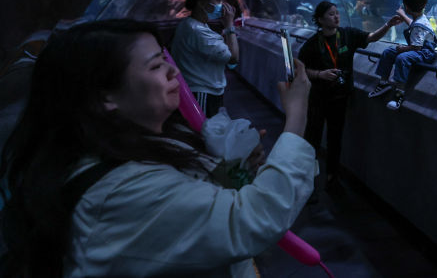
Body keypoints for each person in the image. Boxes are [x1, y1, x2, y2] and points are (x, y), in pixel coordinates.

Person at [0, 19, 314, 277]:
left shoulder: (147, 140)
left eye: (165, 60)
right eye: (155, 66)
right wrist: (297, 116)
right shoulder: (120, 192)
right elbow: (251, 220)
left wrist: (236, 169)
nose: (174, 71)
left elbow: (194, 191)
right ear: (104, 96)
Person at [298, 1, 403, 190]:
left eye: (337, 13)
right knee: (312, 139)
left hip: (340, 98)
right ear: (320, 19)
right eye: (331, 14)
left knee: (335, 140)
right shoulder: (312, 44)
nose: (336, 17)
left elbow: (371, 37)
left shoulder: (347, 34)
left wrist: (388, 25)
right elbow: (301, 69)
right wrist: (320, 74)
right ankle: (307, 182)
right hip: (318, 98)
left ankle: (332, 179)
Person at [171, 0, 240, 117]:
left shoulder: (193, 24)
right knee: (204, 127)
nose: (222, 6)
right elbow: (233, 58)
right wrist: (229, 26)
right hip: (202, 92)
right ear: (202, 3)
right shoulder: (198, 31)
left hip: (204, 90)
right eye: (218, 1)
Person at [367, 0, 437, 111]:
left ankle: (399, 93)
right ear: (424, 5)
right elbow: (413, 24)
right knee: (388, 52)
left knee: (402, 57)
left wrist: (403, 49)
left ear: (406, 6)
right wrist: (402, 14)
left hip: (425, 53)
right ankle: (384, 83)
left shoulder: (419, 24)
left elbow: (416, 47)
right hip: (418, 48)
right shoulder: (420, 18)